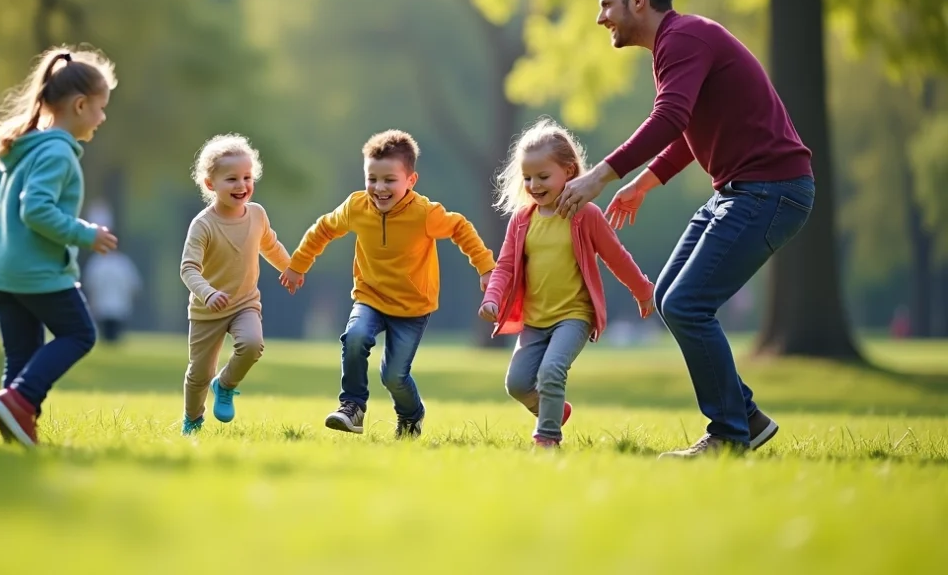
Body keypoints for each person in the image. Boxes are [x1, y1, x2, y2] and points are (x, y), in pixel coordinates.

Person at [556, 0, 814, 458]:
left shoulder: (684, 38)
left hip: (771, 190)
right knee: (669, 295)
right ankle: (746, 417)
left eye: (606, 4)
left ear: (638, 0)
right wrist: (645, 183)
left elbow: (671, 118)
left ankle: (728, 435)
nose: (600, 17)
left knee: (687, 304)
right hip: (742, 191)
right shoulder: (677, 44)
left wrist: (602, 176)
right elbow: (690, 128)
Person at [280, 130, 496, 439]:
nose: (379, 188)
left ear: (411, 180)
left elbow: (460, 227)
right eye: (372, 179)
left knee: (393, 376)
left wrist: (485, 267)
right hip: (369, 297)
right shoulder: (356, 207)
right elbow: (324, 228)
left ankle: (411, 415)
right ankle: (352, 407)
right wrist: (299, 264)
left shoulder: (424, 214)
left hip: (412, 306)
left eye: (389, 180)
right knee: (354, 337)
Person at [0, 46, 119, 448]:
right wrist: (84, 234)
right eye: (101, 108)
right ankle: (20, 402)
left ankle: (15, 426)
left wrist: (9, 241)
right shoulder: (58, 153)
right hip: (37, 272)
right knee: (80, 334)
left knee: (21, 357)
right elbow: (36, 209)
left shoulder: (23, 146)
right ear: (80, 105)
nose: (103, 117)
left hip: (1, 270)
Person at [479, 118, 656, 449]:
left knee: (551, 371)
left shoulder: (584, 215)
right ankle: (555, 411)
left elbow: (616, 257)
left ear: (570, 172)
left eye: (543, 176)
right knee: (517, 384)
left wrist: (643, 290)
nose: (534, 184)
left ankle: (547, 438)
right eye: (528, 177)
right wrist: (492, 298)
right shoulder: (522, 220)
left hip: (573, 316)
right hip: (535, 319)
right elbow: (504, 265)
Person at [179, 134, 291, 435]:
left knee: (252, 345)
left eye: (246, 177)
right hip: (207, 310)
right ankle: (192, 420)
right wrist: (208, 293)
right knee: (199, 374)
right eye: (231, 179)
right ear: (210, 184)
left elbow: (270, 245)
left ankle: (225, 385)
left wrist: (291, 268)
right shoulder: (203, 225)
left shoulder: (257, 215)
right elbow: (188, 269)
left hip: (244, 303)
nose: (241, 186)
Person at [83, 249, 143, 344]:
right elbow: (133, 285)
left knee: (106, 336)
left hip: (102, 307)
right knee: (114, 336)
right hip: (119, 307)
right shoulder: (124, 263)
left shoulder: (97, 262)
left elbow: (90, 285)